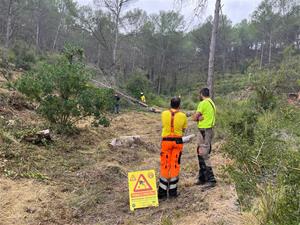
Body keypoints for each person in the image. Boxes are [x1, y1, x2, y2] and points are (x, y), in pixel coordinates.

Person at [158, 97, 187, 199]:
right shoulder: (183, 116)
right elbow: (183, 129)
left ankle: (162, 192)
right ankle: (173, 191)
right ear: (179, 105)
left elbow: (164, 125)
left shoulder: (164, 114)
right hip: (177, 142)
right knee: (175, 164)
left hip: (166, 141)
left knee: (165, 164)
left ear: (170, 104)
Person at [193, 88, 217, 190]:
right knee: (200, 152)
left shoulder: (203, 103)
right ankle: (202, 177)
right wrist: (200, 118)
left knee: (204, 154)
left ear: (201, 94)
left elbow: (194, 117)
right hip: (207, 131)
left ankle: (211, 180)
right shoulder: (212, 103)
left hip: (205, 131)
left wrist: (197, 118)